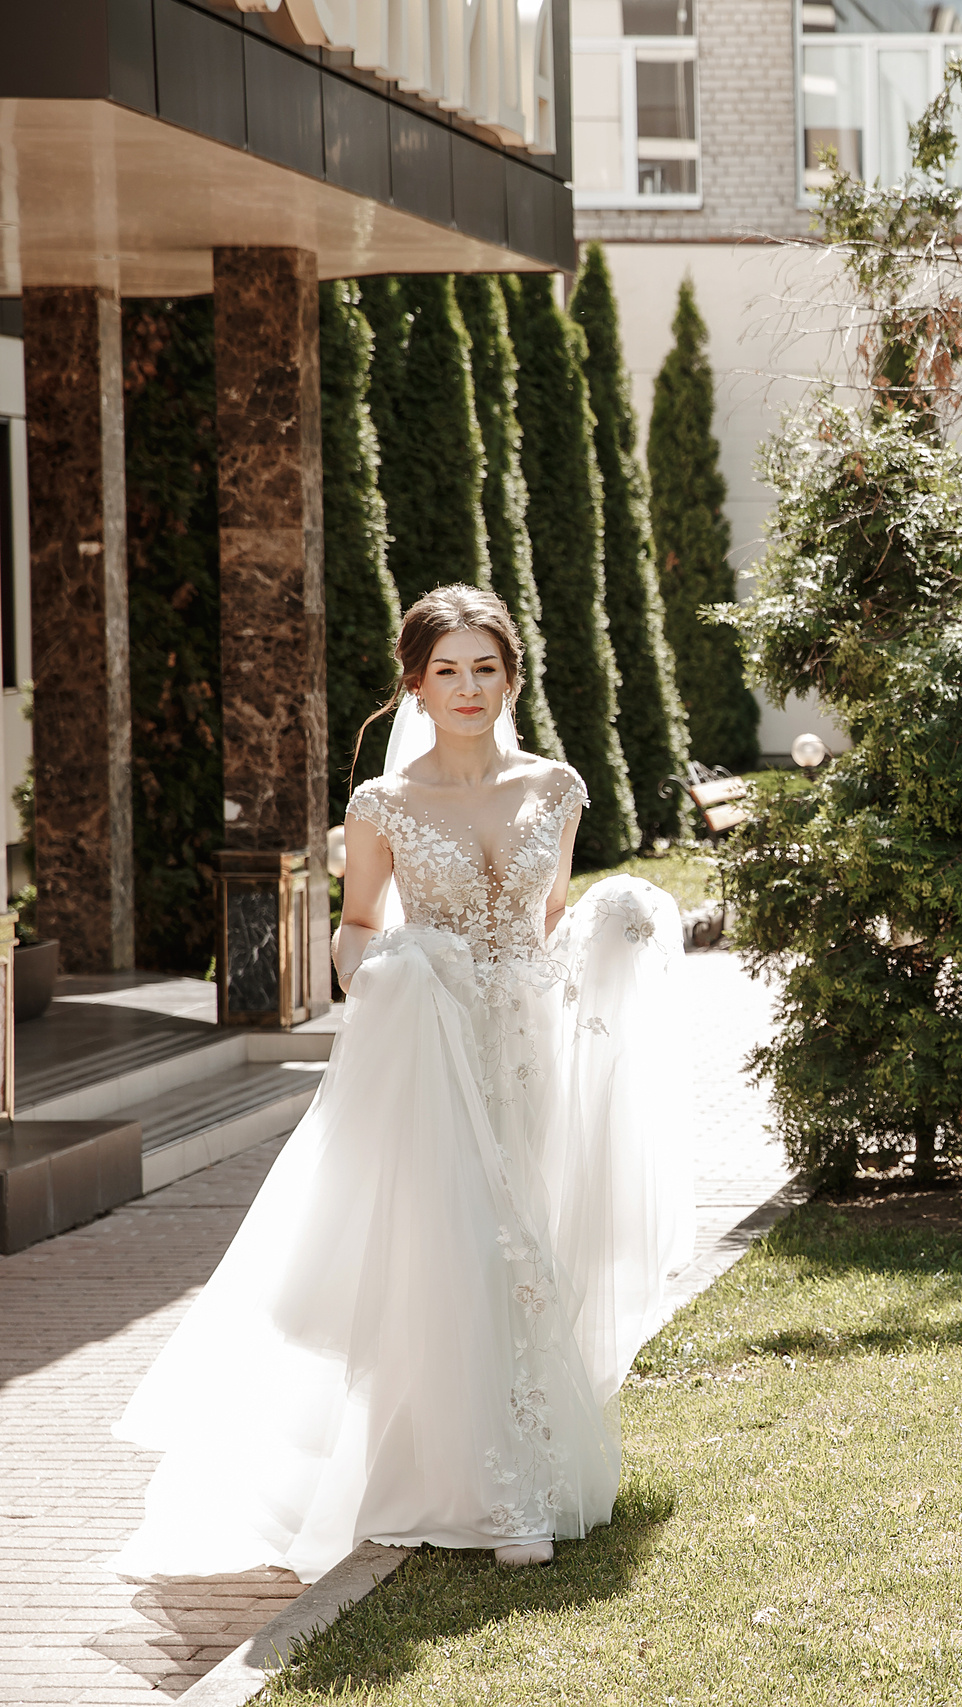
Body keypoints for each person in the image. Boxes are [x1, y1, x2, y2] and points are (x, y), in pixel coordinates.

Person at [113, 585, 693, 1581]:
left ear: (511, 678)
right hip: (433, 1054)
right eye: (446, 670)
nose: (468, 688)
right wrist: (389, 969)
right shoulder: (383, 805)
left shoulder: (556, 789)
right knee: (459, 1251)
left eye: (485, 668)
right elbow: (354, 933)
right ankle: (491, 1493)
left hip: (530, 1056)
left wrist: (607, 934)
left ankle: (532, 1463)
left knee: (529, 1251)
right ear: (416, 685)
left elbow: (548, 921)